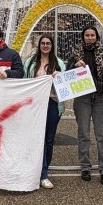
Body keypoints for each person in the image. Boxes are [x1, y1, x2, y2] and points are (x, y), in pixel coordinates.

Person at [71, 25, 103, 185]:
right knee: (83, 134)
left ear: (97, 37)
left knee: (101, 135)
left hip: (100, 96)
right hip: (82, 97)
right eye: (87, 35)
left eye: (92, 35)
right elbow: (67, 71)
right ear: (83, 37)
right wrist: (74, 66)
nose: (90, 37)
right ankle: (85, 167)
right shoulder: (75, 53)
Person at [25, 35, 65, 189]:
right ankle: (34, 171)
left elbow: (65, 86)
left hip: (52, 103)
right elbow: (24, 81)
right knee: (35, 138)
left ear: (52, 46)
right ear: (39, 45)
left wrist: (59, 77)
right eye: (43, 43)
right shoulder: (30, 63)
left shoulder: (59, 63)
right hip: (34, 104)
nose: (45, 46)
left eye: (48, 43)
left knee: (48, 139)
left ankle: (44, 173)